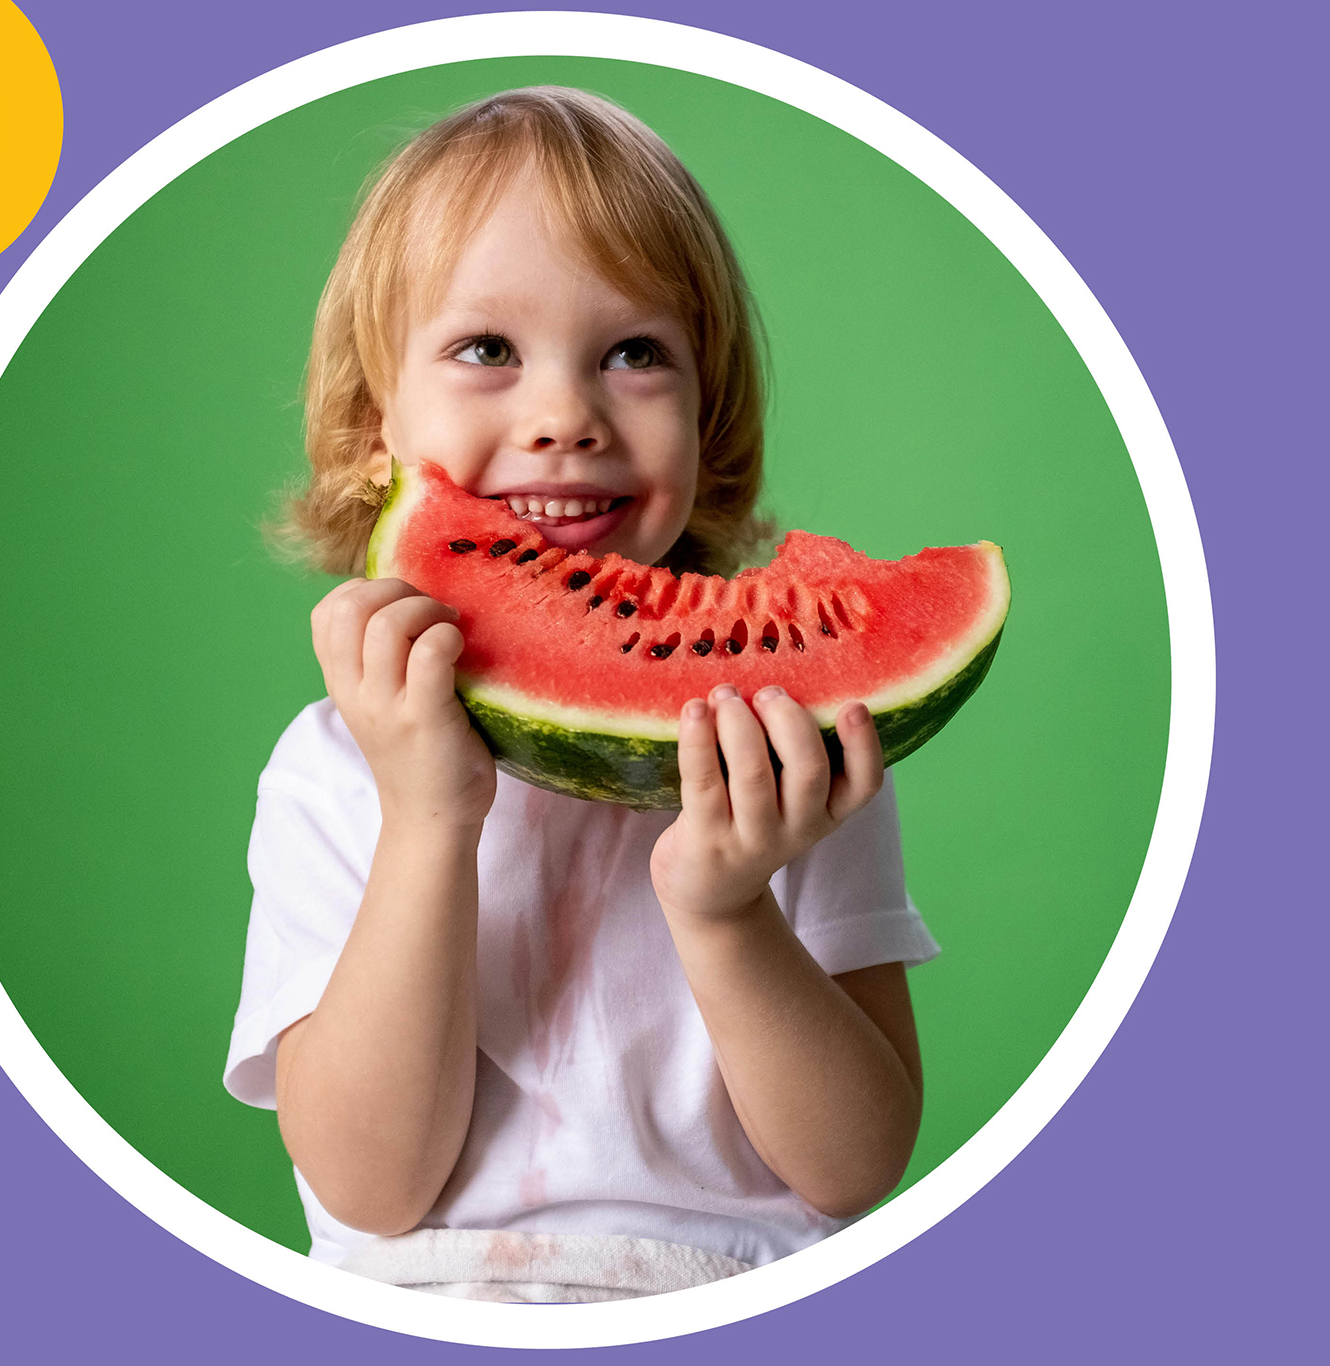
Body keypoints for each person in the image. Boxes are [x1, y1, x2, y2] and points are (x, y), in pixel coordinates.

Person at [224, 86, 937, 1304]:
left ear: (708, 429)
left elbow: (854, 1166)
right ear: (367, 430)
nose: (564, 417)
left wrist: (724, 910)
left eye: (634, 353)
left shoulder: (785, 757)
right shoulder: (333, 770)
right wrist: (427, 817)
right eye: (485, 350)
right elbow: (369, 1186)